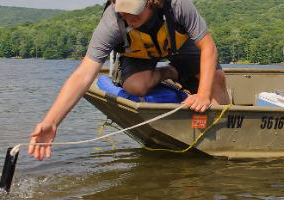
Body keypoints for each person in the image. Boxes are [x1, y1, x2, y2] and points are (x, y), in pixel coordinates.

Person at [28, 0, 230, 160]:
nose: (129, 16)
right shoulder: (111, 21)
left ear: (152, 2)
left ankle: (226, 132)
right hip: (139, 53)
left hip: (179, 44)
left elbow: (209, 48)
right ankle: (172, 72)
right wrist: (51, 122)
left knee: (216, 79)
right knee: (136, 86)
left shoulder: (177, 5)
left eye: (135, 11)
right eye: (123, 11)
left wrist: (203, 95)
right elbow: (84, 73)